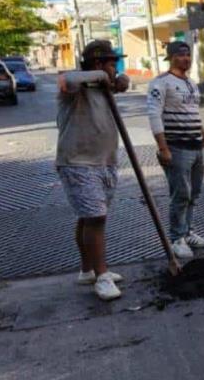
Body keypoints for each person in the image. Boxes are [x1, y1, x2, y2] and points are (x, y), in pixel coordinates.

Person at [56, 39, 130, 301]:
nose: (115, 68)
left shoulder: (103, 89)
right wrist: (104, 76)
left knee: (90, 217)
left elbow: (123, 81)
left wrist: (121, 78)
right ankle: (102, 276)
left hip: (104, 161)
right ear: (98, 64)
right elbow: (66, 80)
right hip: (78, 162)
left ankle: (88, 269)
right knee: (96, 218)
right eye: (112, 63)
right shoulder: (76, 87)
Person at [146, 41, 204, 260]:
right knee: (181, 193)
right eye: (180, 55)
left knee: (193, 193)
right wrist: (163, 147)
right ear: (171, 57)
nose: (186, 58)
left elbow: (195, 114)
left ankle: (187, 232)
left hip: (196, 147)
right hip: (176, 148)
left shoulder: (191, 84)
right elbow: (154, 115)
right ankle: (176, 238)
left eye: (188, 55)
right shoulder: (161, 83)